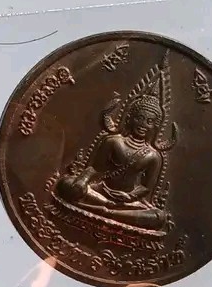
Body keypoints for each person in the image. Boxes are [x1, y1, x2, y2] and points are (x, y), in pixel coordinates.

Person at [55, 95, 168, 231]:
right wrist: (83, 180)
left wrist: (129, 196)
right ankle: (109, 209)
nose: (143, 124)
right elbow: (95, 168)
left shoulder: (153, 156)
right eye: (139, 118)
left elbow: (145, 187)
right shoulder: (113, 141)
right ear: (130, 118)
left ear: (155, 126)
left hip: (127, 203)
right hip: (100, 192)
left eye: (149, 121)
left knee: (159, 217)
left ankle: (108, 212)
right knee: (67, 184)